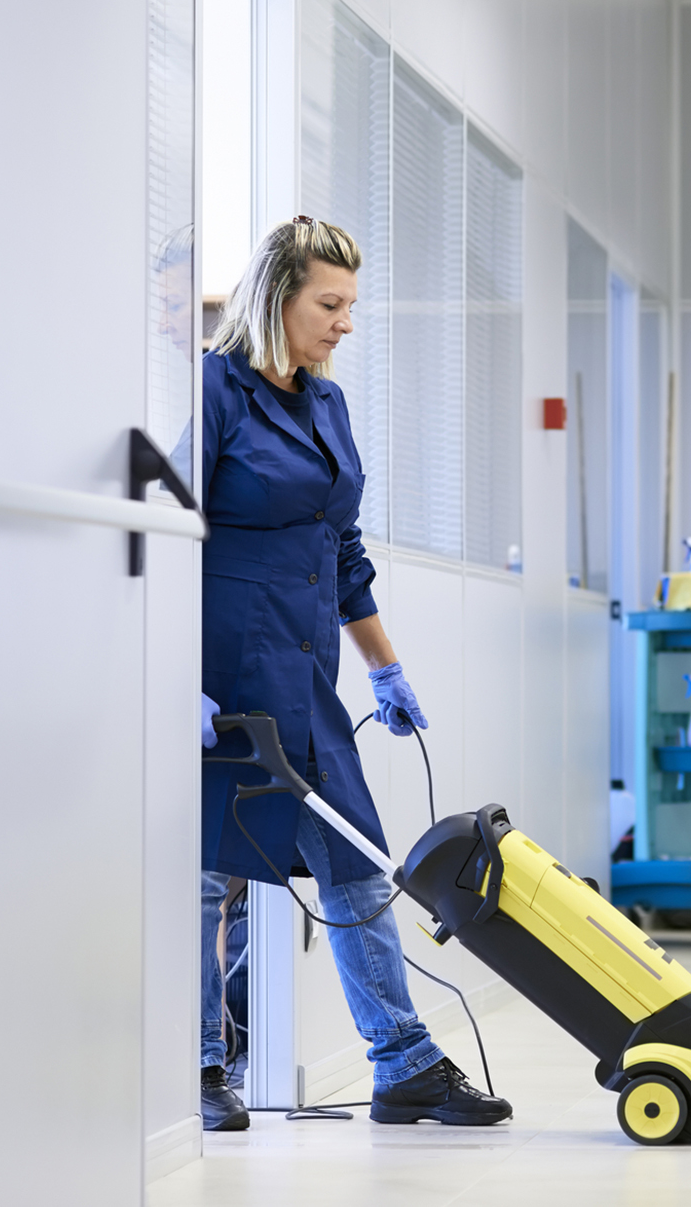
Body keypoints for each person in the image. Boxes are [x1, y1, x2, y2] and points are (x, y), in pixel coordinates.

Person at [196, 216, 512, 1132]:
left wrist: (387, 667)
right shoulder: (215, 390)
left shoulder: (324, 405)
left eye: (350, 306)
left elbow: (343, 551)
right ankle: (200, 1066)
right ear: (276, 297)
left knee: (357, 864)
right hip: (223, 672)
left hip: (307, 674)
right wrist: (172, 672)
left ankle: (403, 1063)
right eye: (329, 304)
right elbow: (170, 528)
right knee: (208, 876)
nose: (343, 322)